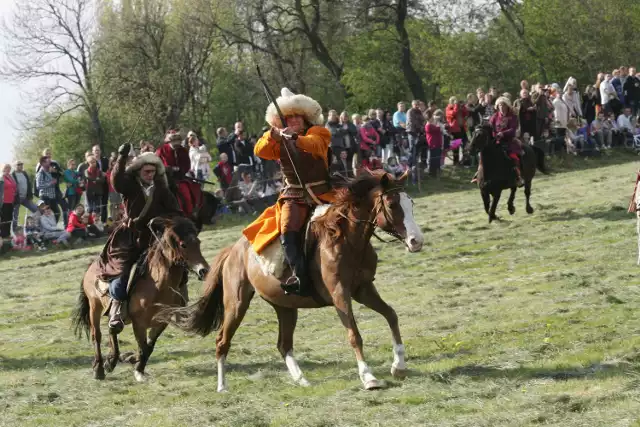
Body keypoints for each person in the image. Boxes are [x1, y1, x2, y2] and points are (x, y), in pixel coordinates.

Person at [242, 88, 334, 297]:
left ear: (305, 117)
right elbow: (260, 151)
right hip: (293, 196)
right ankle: (300, 276)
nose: (293, 120)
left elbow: (315, 145)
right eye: (288, 117)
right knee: (287, 228)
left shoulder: (319, 132)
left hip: (324, 193)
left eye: (296, 116)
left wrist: (294, 138)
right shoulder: (278, 138)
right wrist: (273, 134)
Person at [96, 144, 183, 332]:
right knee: (122, 269)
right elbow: (116, 180)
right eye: (147, 171)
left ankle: (179, 302)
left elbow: (175, 211)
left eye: (153, 171)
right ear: (138, 170)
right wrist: (121, 156)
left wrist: (168, 223)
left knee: (179, 260)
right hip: (129, 237)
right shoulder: (129, 184)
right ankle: (117, 308)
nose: (150, 174)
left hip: (154, 236)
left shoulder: (161, 188)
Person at [156, 130, 200, 217]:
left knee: (186, 194)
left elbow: (187, 165)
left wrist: (178, 169)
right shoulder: (161, 151)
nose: (176, 143)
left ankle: (189, 214)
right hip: (164, 179)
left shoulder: (183, 150)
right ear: (169, 141)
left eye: (178, 140)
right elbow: (156, 163)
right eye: (173, 141)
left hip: (179, 179)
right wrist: (164, 169)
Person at [490, 97, 522, 186]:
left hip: (509, 141)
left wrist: (502, 133)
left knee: (512, 156)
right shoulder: (494, 117)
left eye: (503, 105)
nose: (501, 107)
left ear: (507, 106)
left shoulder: (513, 116)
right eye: (500, 105)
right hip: (496, 141)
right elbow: (490, 128)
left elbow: (513, 129)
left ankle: (518, 177)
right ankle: (479, 175)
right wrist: (494, 135)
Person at [11, 160, 37, 232]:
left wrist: (30, 196)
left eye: (21, 164)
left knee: (35, 209)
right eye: (18, 164)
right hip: (17, 198)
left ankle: (31, 224)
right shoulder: (12, 174)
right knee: (15, 214)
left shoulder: (24, 173)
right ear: (15, 166)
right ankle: (14, 229)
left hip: (26, 198)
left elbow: (29, 184)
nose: (21, 165)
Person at [0, 164, 16, 242]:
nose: (8, 169)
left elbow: (14, 186)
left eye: (9, 168)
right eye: (7, 168)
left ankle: (7, 234)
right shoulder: (1, 177)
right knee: (4, 218)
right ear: (3, 169)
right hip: (4, 201)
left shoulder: (10, 177)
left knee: (9, 218)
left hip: (11, 201)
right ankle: (3, 235)